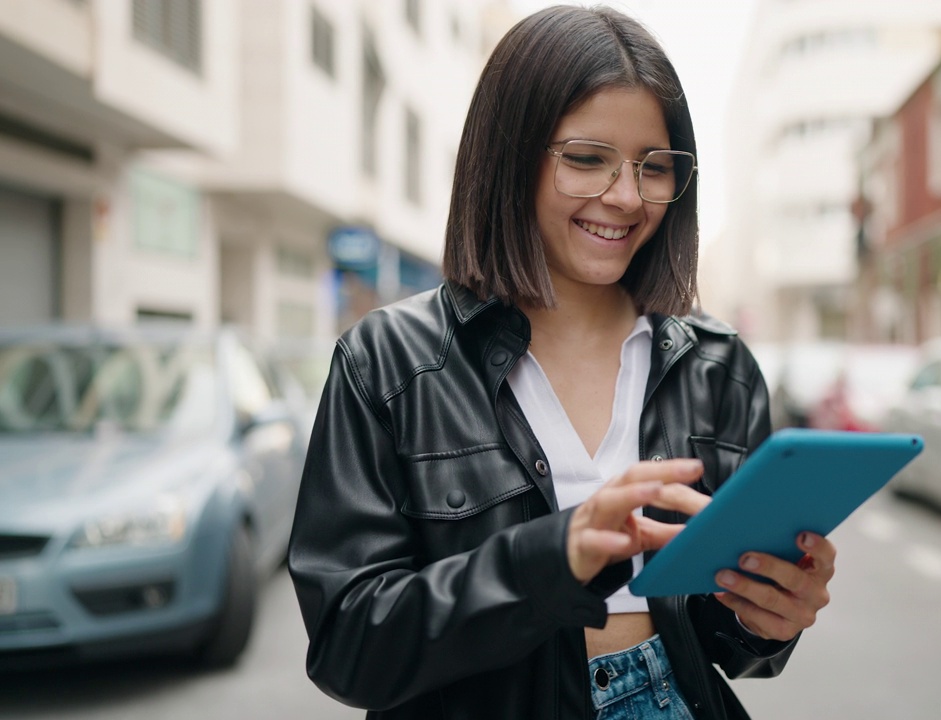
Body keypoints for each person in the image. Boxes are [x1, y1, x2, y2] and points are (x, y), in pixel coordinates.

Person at [287, 6, 836, 719]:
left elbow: (732, 648)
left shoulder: (720, 367)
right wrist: (552, 558)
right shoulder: (387, 359)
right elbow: (348, 644)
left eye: (654, 166)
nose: (627, 197)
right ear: (511, 154)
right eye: (587, 158)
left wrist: (768, 614)